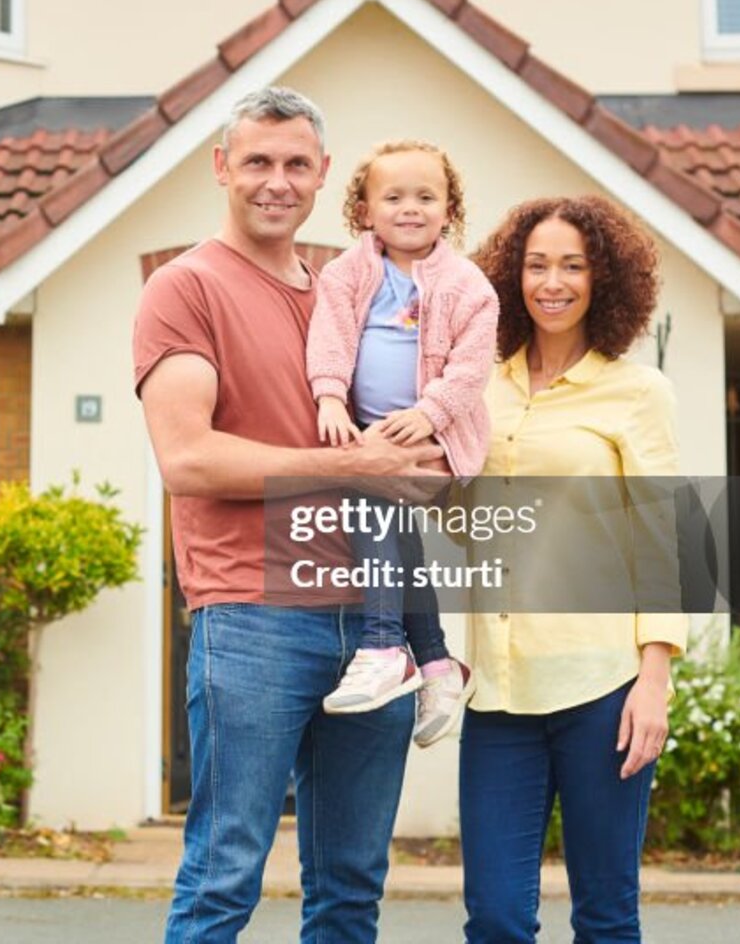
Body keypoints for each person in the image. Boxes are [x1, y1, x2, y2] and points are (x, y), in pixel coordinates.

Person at [134, 87, 443, 944]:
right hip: (253, 618)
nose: (277, 181)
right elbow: (187, 459)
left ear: (323, 176)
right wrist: (357, 464)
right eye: (258, 161)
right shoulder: (185, 288)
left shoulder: (354, 292)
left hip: (374, 632)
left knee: (349, 889)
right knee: (225, 872)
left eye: (295, 164)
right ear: (222, 167)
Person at [460, 195, 688, 943]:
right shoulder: (477, 388)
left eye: (572, 266)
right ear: (510, 277)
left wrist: (654, 681)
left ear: (605, 279)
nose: (551, 282)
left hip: (604, 690)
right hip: (497, 693)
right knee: (495, 917)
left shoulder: (637, 392)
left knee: (606, 914)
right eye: (535, 265)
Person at [305, 140, 497, 745]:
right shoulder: (346, 274)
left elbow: (471, 367)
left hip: (435, 439)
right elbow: (330, 339)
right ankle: (438, 665)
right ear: (364, 210)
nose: (409, 208)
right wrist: (330, 396)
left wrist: (430, 412)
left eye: (426, 196)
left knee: (371, 501)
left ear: (449, 210)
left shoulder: (469, 286)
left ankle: (386, 645)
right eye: (393, 196)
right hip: (367, 430)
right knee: (395, 533)